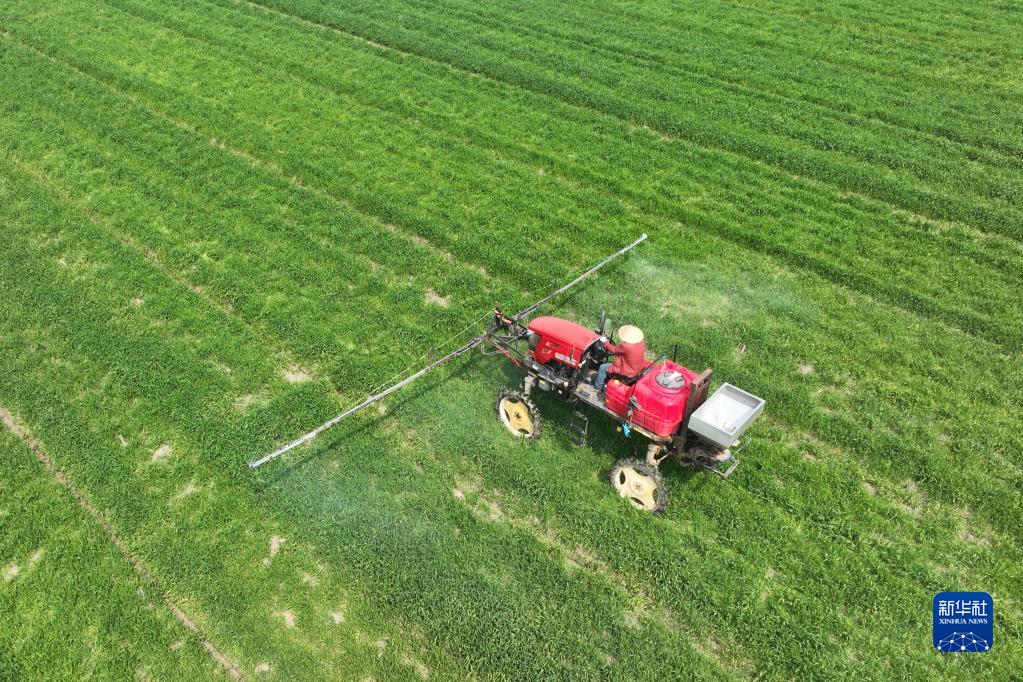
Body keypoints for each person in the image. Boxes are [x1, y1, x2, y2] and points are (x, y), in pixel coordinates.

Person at [596, 325, 646, 391]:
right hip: (637, 368)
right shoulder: (641, 342)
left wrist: (605, 341)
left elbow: (614, 350)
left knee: (602, 367)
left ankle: (597, 387)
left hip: (627, 371)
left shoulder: (626, 346)